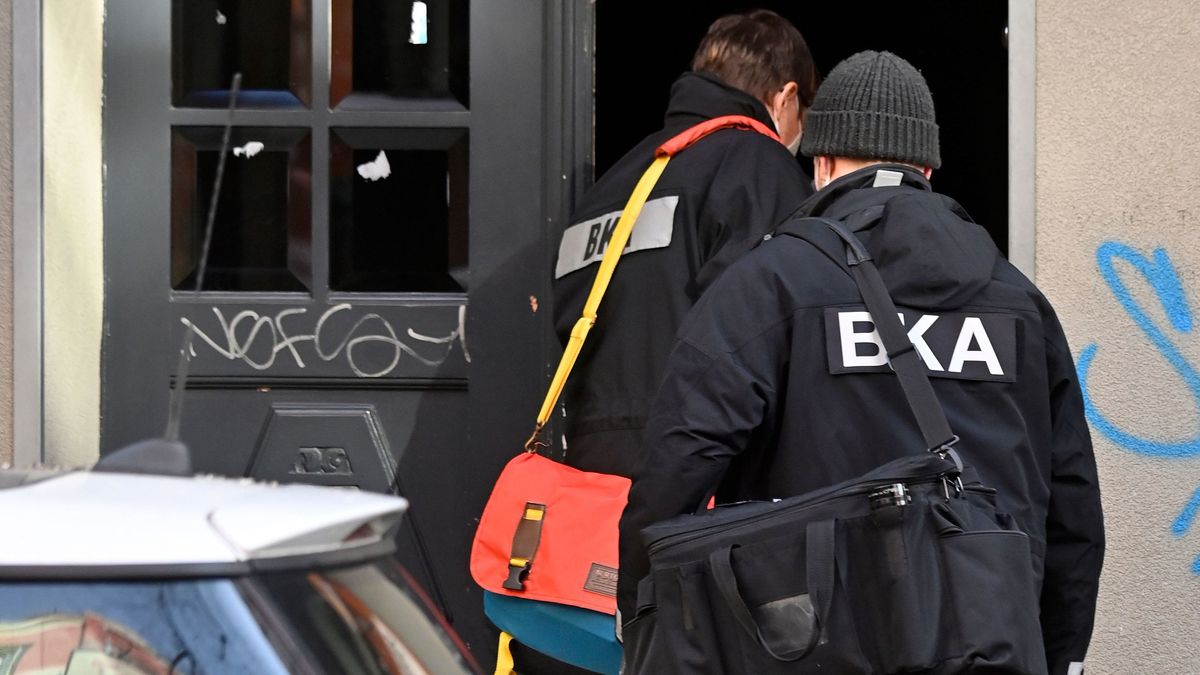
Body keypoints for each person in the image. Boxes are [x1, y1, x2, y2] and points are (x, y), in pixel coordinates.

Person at [618, 51, 1104, 674]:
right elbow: (1073, 513)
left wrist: (641, 617)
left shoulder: (771, 283)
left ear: (821, 163)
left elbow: (675, 468)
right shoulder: (1018, 302)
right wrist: (1057, 654)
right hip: (992, 648)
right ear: (926, 167)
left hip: (813, 649)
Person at [551, 9, 820, 478]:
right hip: (694, 472)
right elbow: (768, 328)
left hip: (592, 471)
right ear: (785, 98)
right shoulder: (758, 163)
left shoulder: (612, 185)